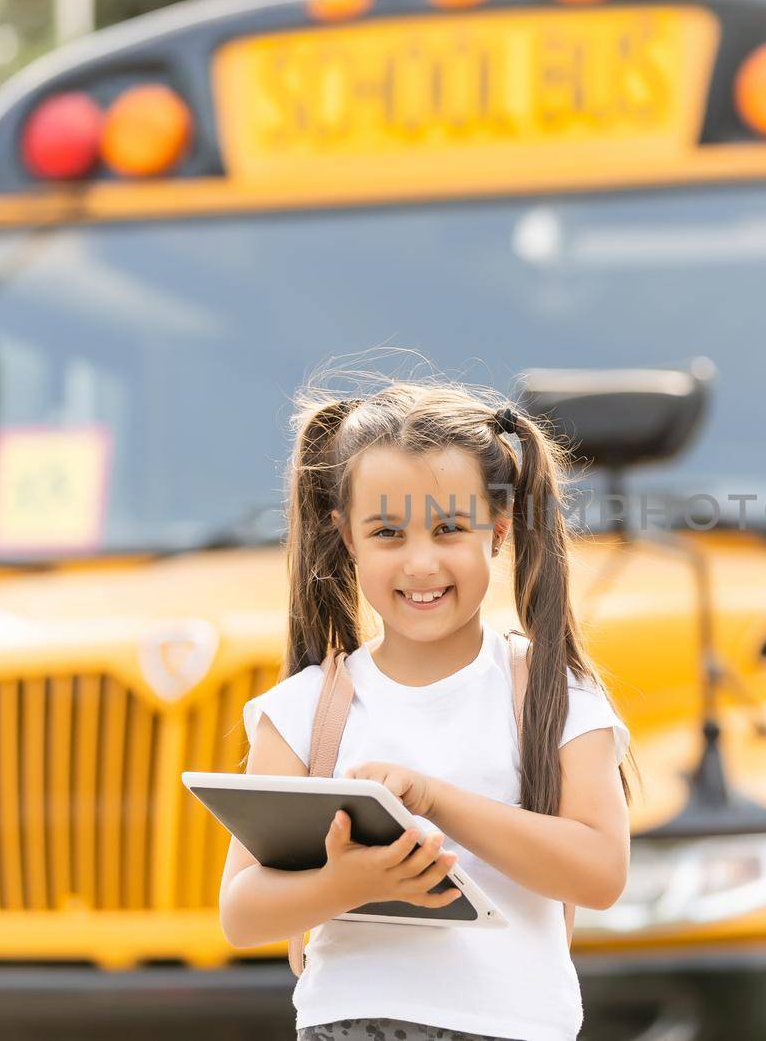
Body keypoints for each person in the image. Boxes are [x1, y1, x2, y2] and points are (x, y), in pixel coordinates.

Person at [218, 378, 637, 1041]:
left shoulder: (556, 697)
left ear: (498, 530)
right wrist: (350, 881)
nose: (420, 562)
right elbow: (241, 911)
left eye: (448, 529)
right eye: (387, 532)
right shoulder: (301, 711)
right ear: (346, 538)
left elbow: (601, 871)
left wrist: (434, 800)